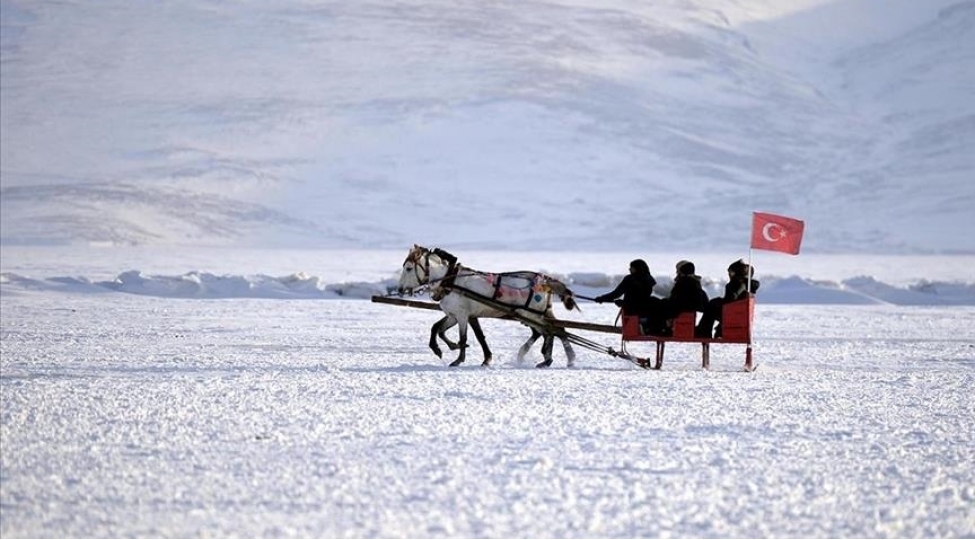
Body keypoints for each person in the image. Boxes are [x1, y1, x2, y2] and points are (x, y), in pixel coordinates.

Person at [695, 259, 760, 338]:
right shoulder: (747, 285)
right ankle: (706, 331)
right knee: (712, 305)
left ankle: (703, 332)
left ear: (737, 272)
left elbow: (731, 299)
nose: (729, 274)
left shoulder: (738, 283)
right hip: (736, 314)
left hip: (731, 314)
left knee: (711, 307)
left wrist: (718, 301)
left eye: (731, 272)